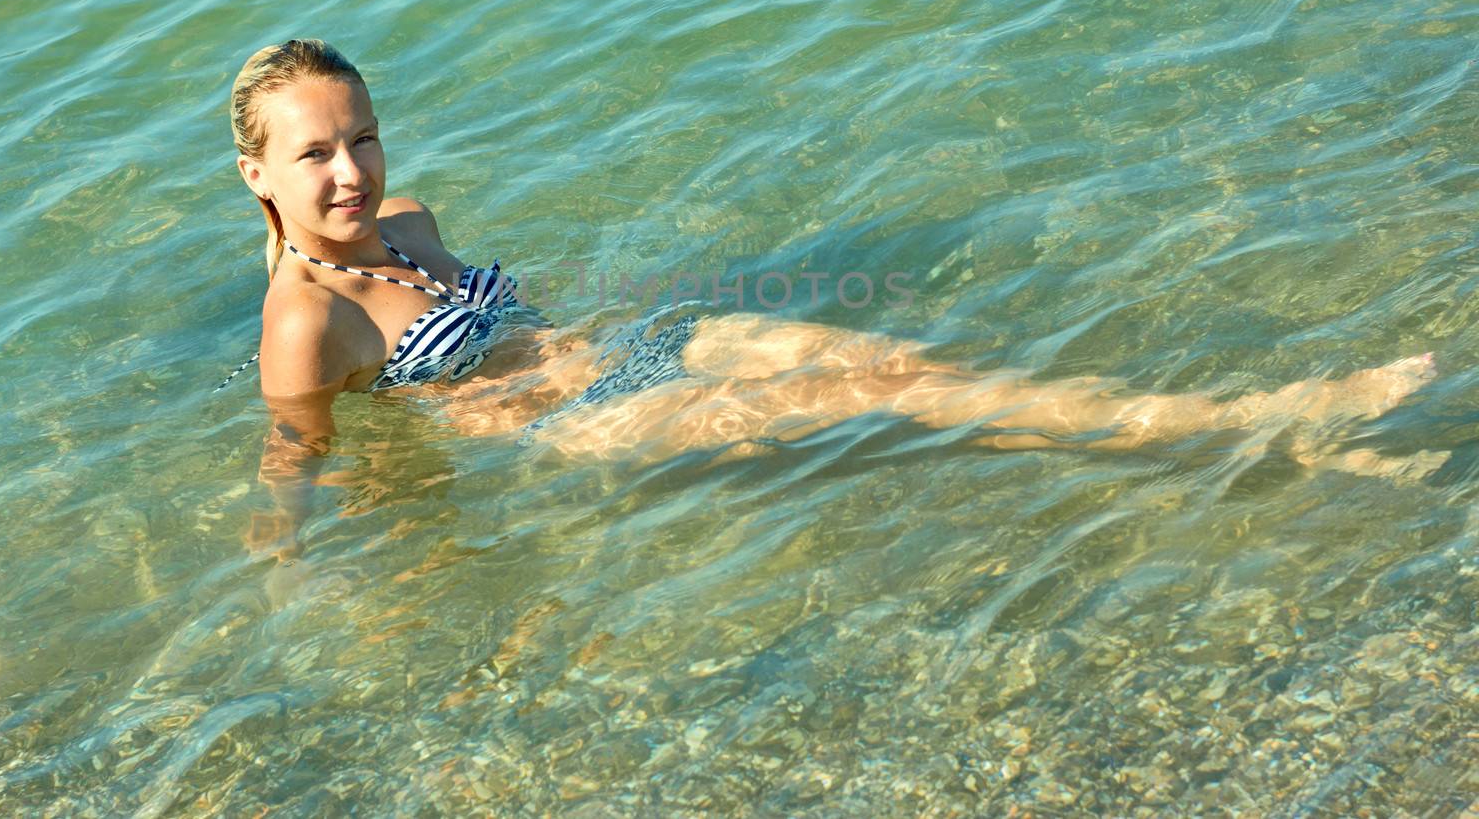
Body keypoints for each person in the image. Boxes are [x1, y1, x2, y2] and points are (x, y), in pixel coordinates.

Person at [223, 39, 1443, 556]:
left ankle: (1281, 444)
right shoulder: (303, 320)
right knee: (898, 397)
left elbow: (505, 318)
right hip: (575, 424)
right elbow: (306, 452)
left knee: (915, 373)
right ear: (259, 173)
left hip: (632, 348)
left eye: (362, 136)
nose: (350, 170)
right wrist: (290, 564)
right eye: (317, 153)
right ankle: (1265, 416)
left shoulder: (413, 220)